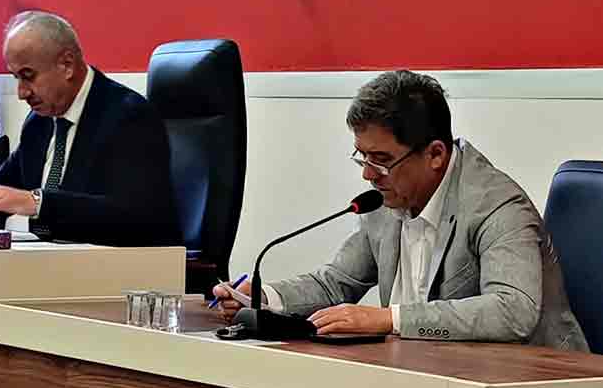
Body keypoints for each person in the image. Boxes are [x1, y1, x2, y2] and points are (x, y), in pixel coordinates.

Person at [213, 70, 588, 351]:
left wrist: (389, 318)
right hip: (435, 375)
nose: (367, 174)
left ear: (435, 154)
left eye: (380, 159)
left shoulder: (497, 206)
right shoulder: (386, 199)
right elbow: (336, 282)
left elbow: (512, 310)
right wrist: (263, 298)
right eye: (362, 157)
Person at [0, 11, 180, 246]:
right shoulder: (39, 122)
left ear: (67, 65)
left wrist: (38, 202)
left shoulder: (127, 116)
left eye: (28, 76)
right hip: (47, 265)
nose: (21, 92)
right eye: (16, 78)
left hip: (116, 273)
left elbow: (133, 214)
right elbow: (0, 186)